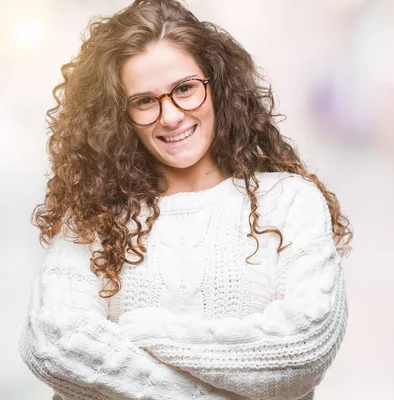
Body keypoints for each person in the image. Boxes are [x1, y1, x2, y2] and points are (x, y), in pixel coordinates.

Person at [18, 0, 353, 399]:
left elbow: (301, 352)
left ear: (217, 86)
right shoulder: (95, 217)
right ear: (117, 116)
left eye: (184, 89)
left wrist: (146, 332)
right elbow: (56, 346)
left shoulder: (290, 203)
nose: (171, 116)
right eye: (145, 101)